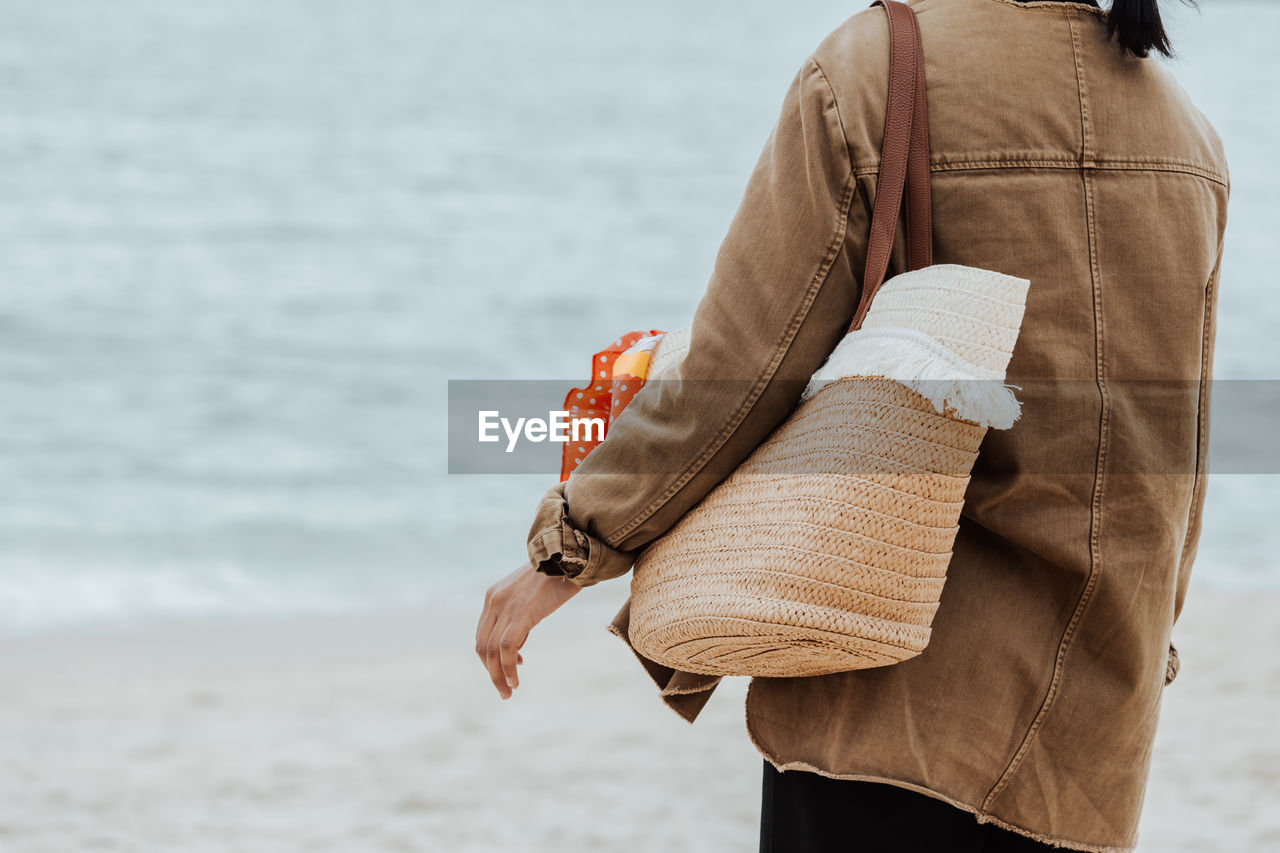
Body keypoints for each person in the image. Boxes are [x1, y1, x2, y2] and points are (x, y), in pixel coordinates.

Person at [476, 0, 1228, 850]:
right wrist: (1135, 658)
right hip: (1085, 746)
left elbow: (741, 372)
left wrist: (571, 546)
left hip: (887, 709)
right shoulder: (1186, 139)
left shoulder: (873, 70)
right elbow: (1176, 459)